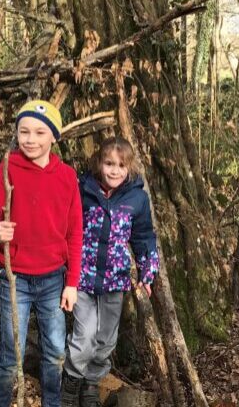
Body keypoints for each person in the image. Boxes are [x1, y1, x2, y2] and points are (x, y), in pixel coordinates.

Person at [0, 100, 84, 407]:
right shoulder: (8, 169)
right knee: (10, 355)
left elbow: (75, 233)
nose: (30, 139)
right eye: (24, 131)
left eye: (39, 132)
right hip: (15, 279)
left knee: (55, 353)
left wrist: (72, 282)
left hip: (53, 279)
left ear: (53, 137)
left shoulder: (66, 177)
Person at [61, 137, 160, 407]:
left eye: (120, 165)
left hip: (114, 281)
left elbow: (143, 237)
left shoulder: (136, 198)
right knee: (84, 335)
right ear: (99, 163)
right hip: (81, 278)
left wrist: (147, 272)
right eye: (109, 164)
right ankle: (71, 384)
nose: (114, 170)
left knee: (105, 339)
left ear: (129, 168)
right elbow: (66, 227)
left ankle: (91, 385)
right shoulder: (84, 190)